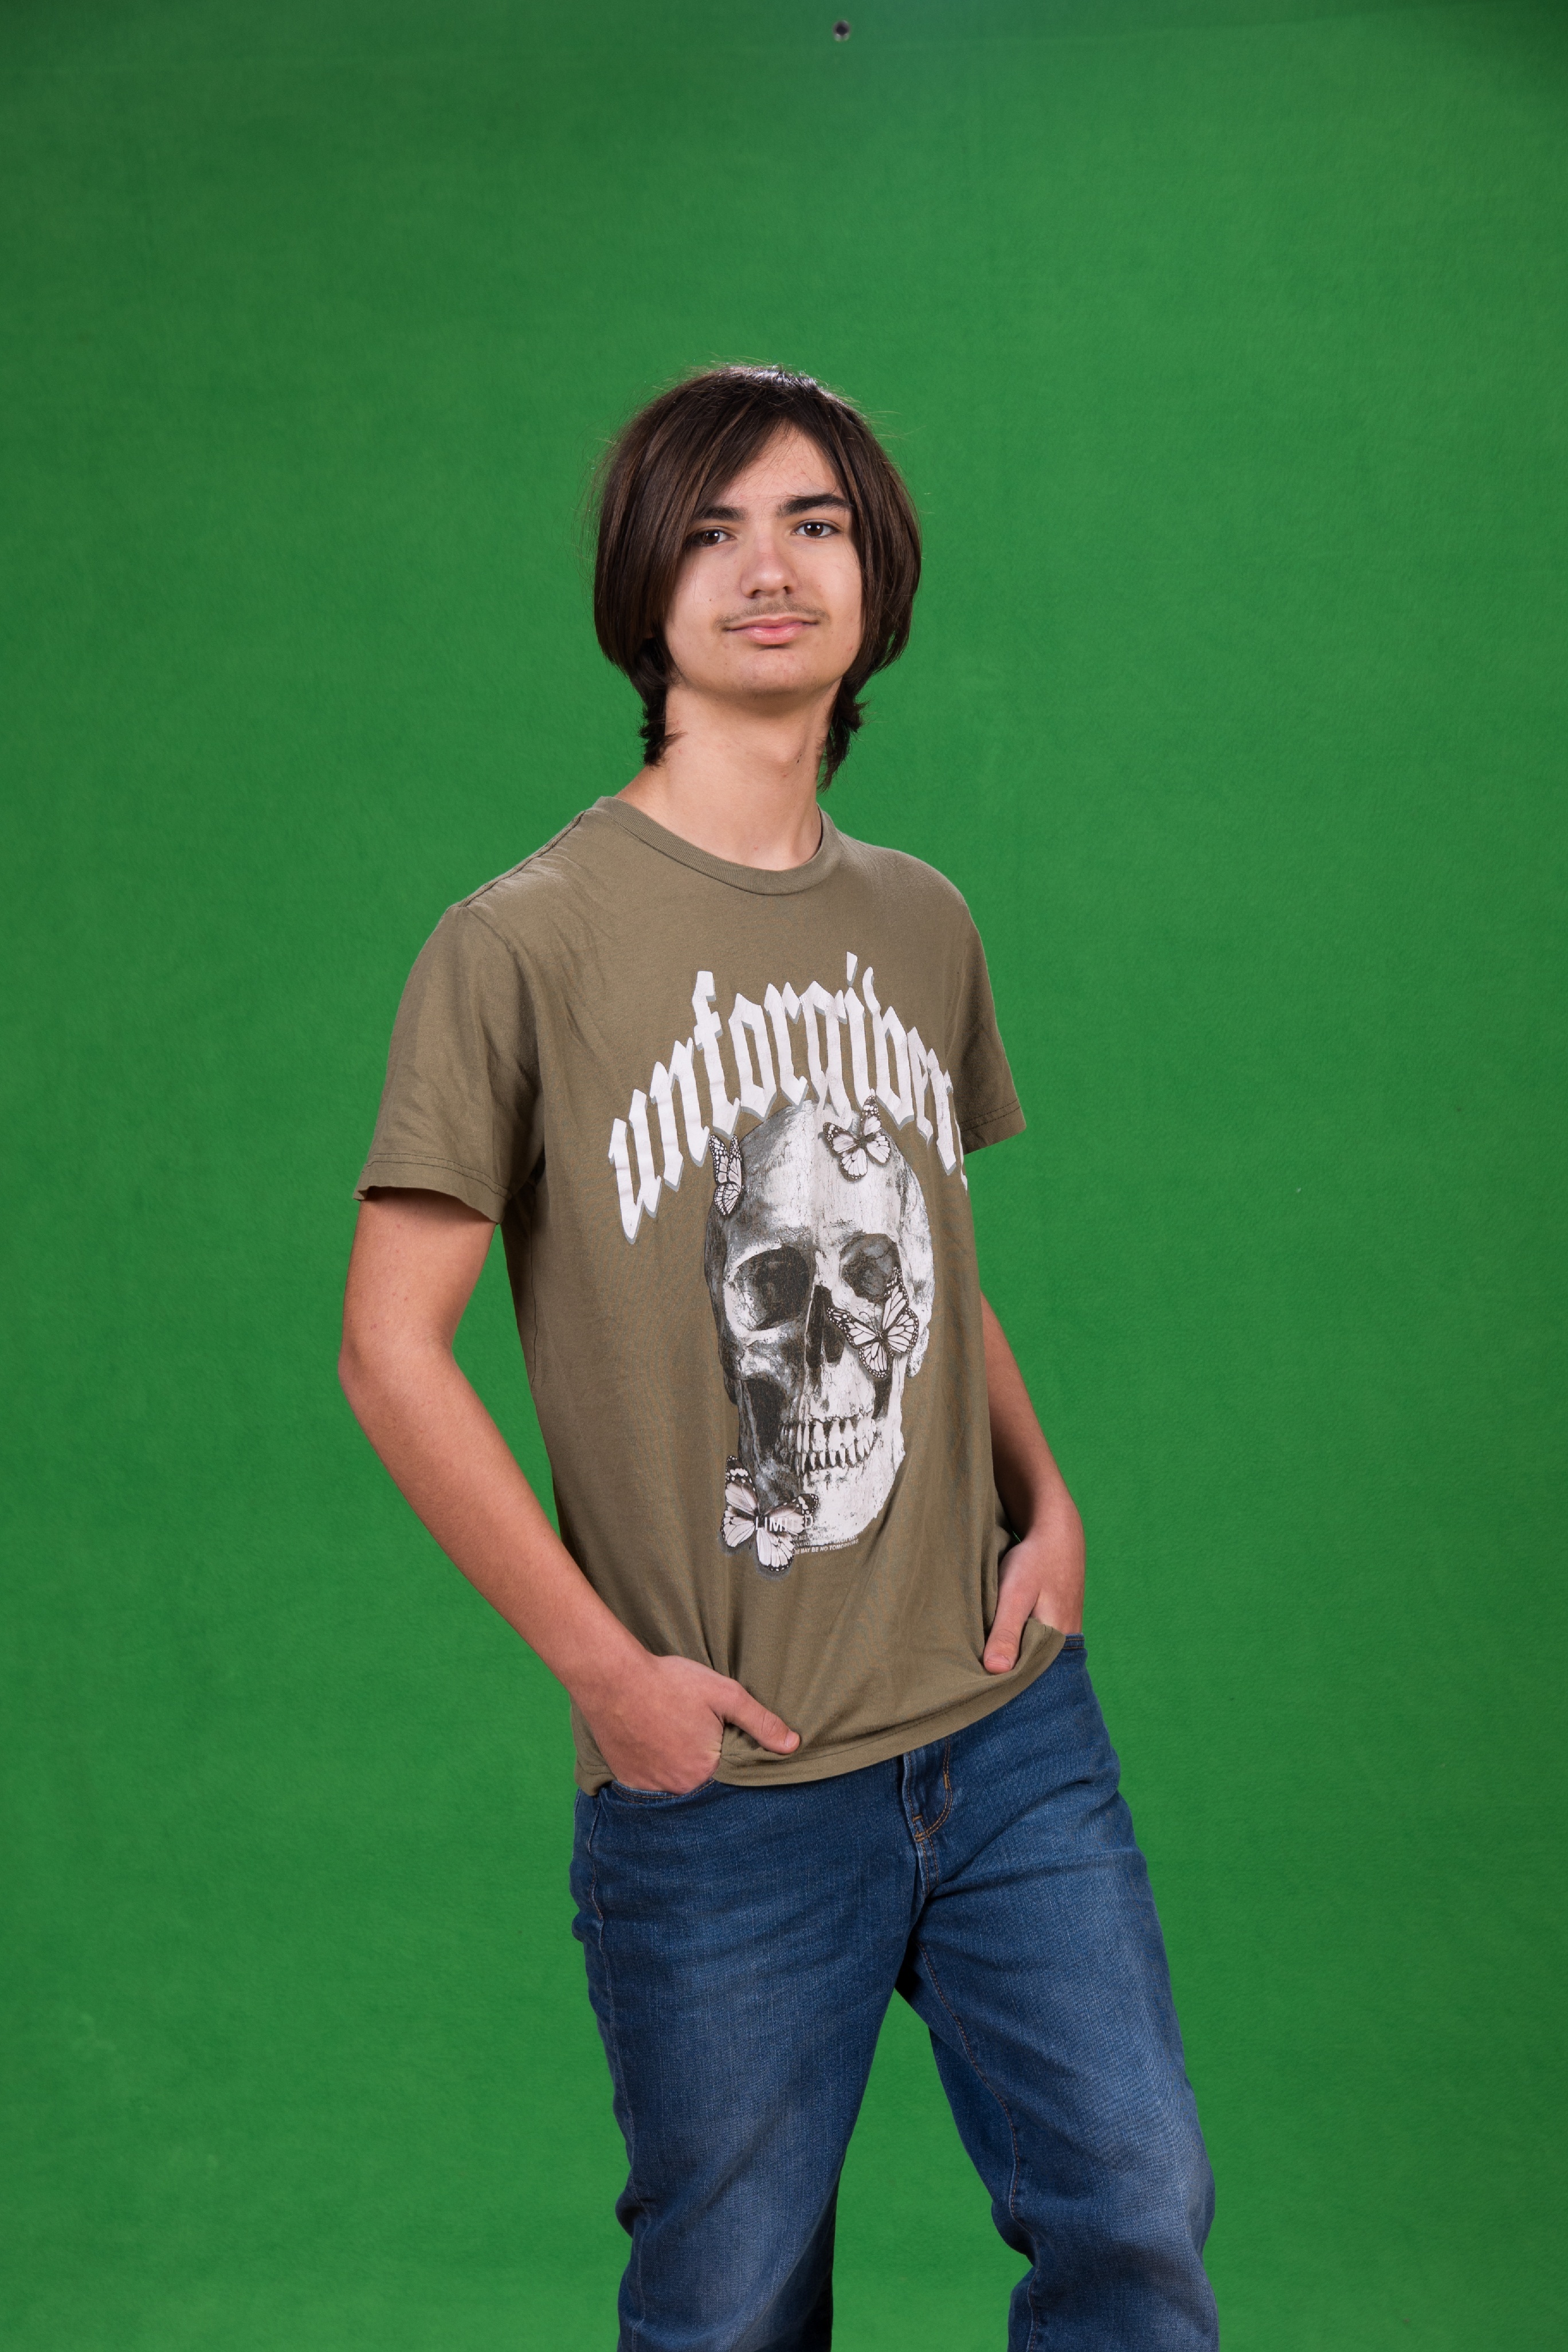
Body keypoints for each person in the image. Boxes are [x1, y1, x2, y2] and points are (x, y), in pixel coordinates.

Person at [340, 364, 1218, 2350]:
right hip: (725, 1782)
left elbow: (940, 1261)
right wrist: (606, 1679)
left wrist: (1051, 1503)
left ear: (874, 576)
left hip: (1003, 1732)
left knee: (1140, 2217)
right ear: (641, 593)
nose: (768, 567)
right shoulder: (522, 943)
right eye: (713, 529)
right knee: (730, 2316)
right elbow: (391, 1353)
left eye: (813, 523)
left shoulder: (920, 921)